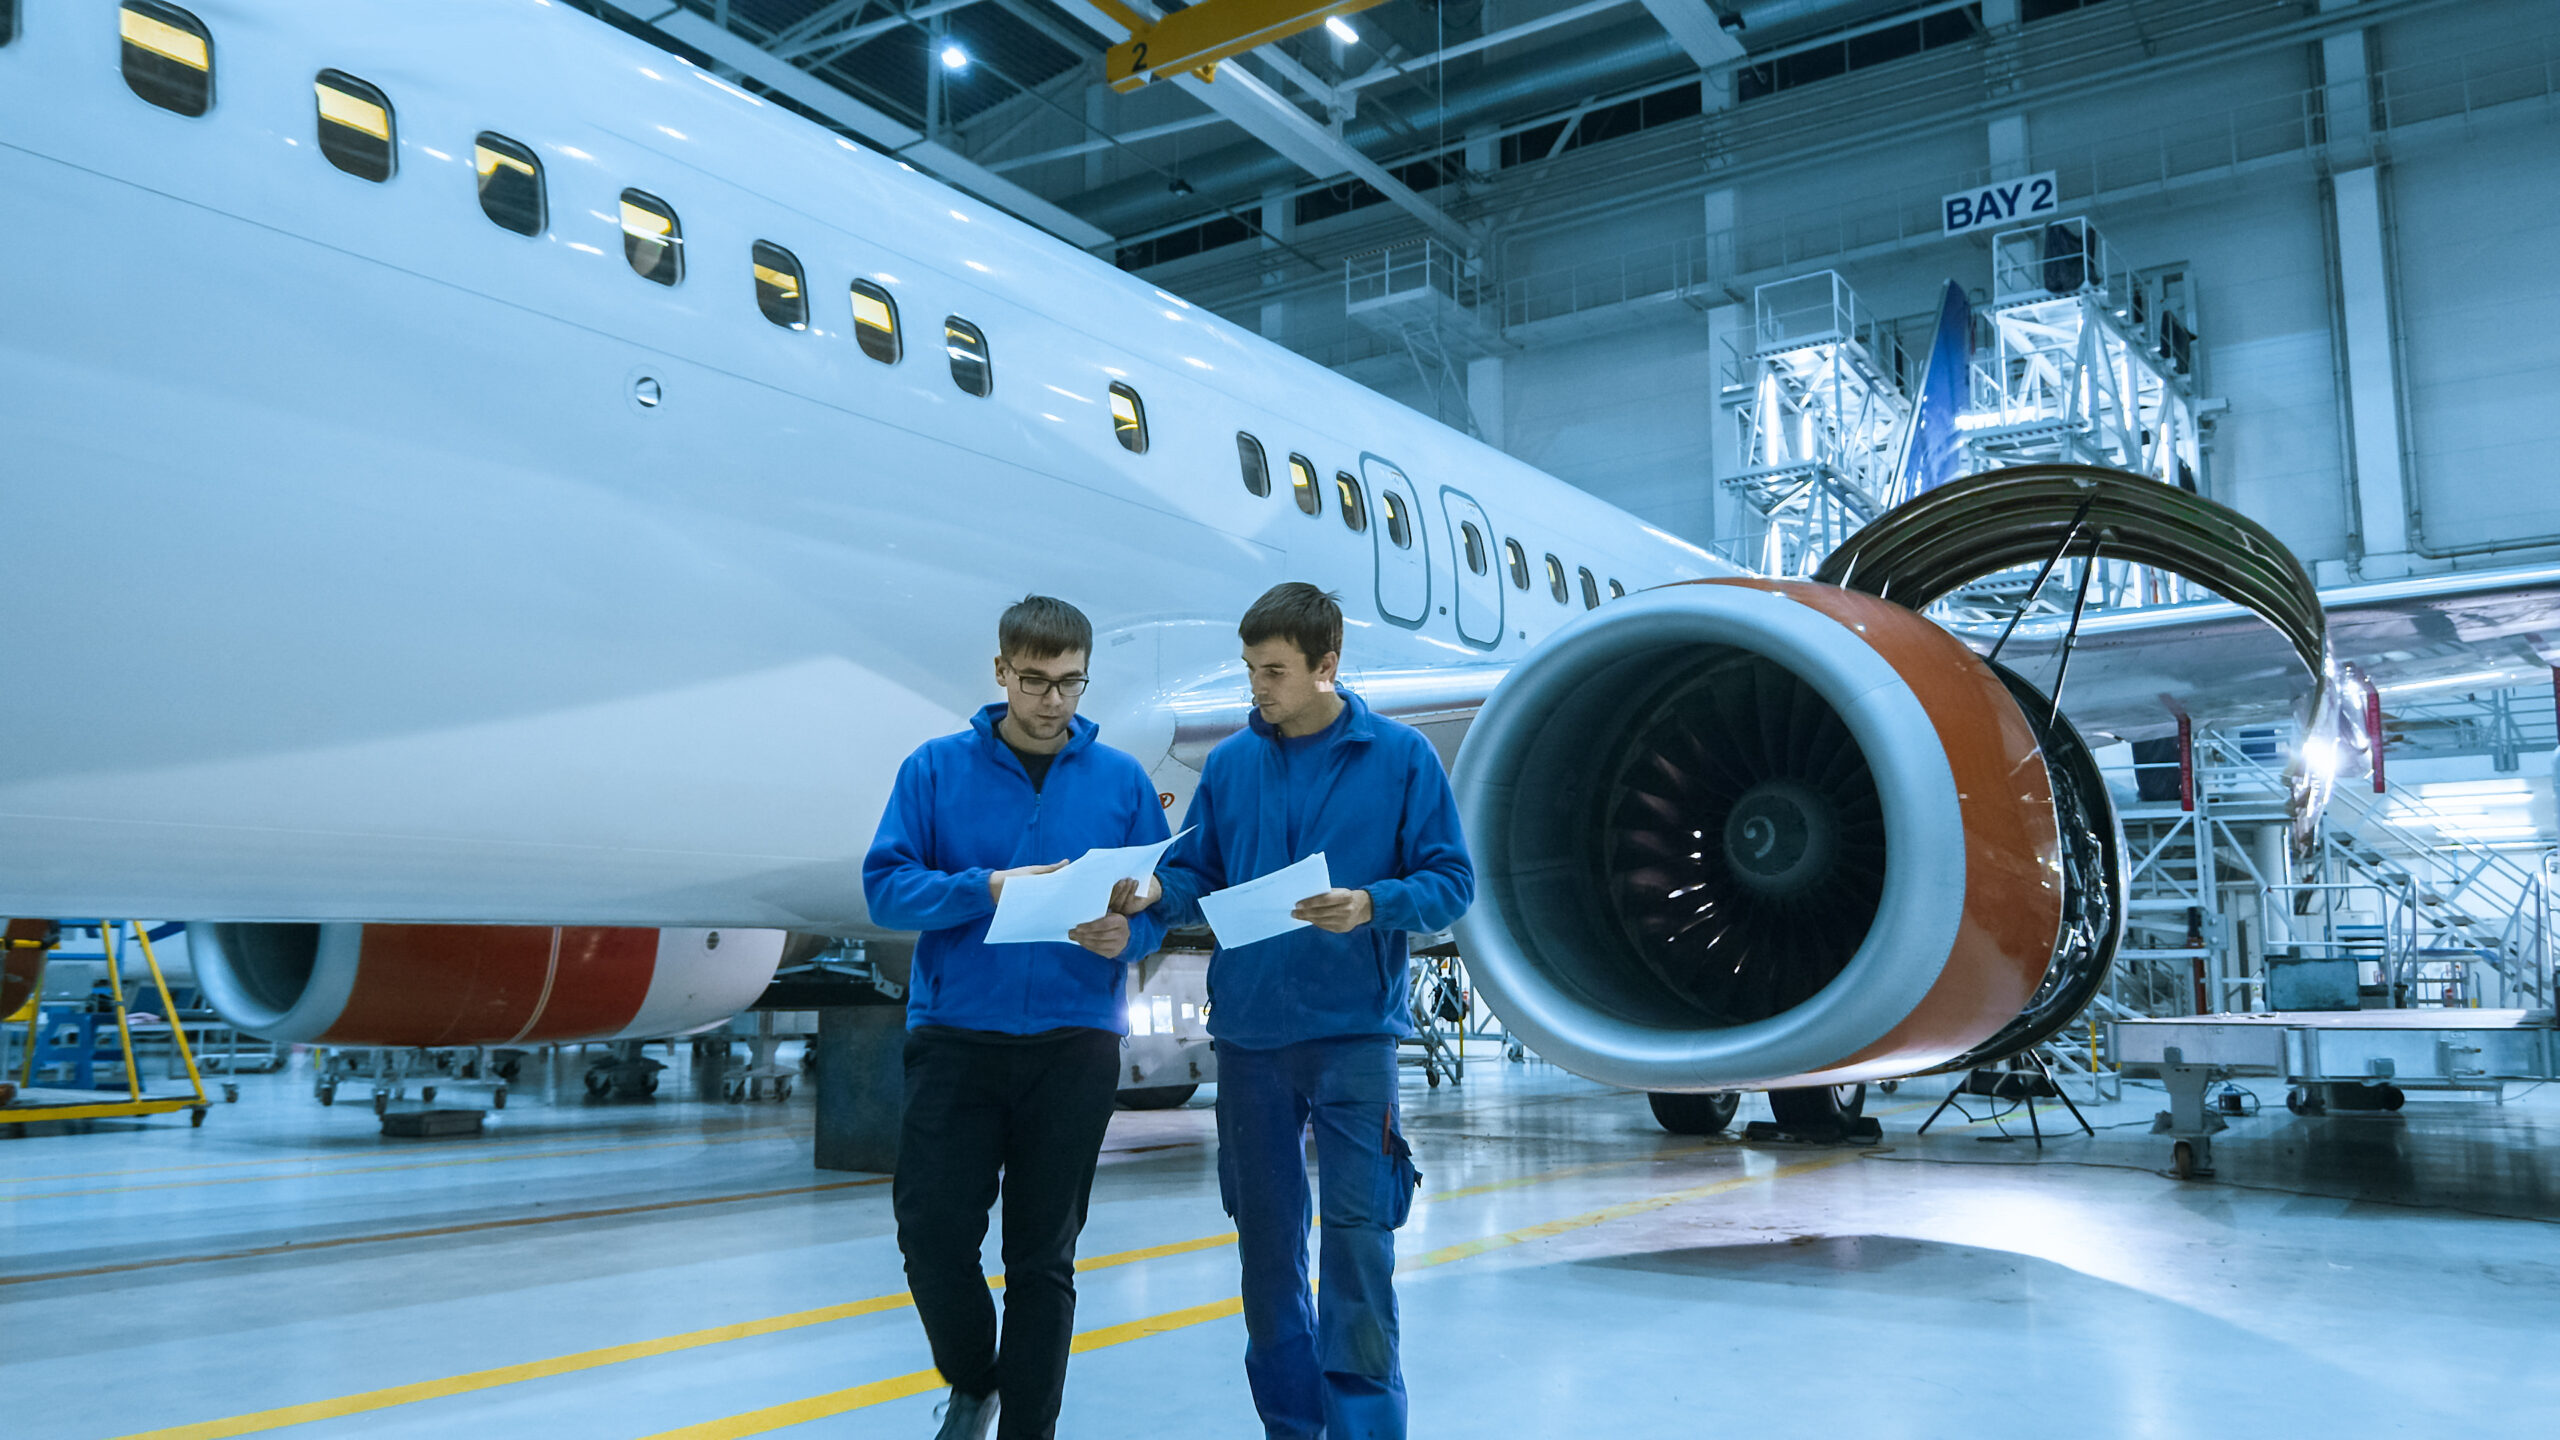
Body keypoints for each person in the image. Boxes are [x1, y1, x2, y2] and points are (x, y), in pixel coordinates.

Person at [1122, 582, 1474, 1440]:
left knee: (1360, 1245)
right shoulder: (1235, 764)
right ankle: (1290, 1423)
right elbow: (1198, 870)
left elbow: (1450, 883)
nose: (1257, 688)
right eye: (1250, 670)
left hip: (1353, 1037)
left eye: (1274, 671)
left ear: (1327, 666)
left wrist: (1372, 903)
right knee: (1268, 1253)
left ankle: (1363, 1429)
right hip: (1249, 1041)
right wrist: (1153, 892)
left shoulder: (1400, 759)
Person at [863, 595, 1171, 1440]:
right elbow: (885, 888)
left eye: (1070, 683)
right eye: (1034, 681)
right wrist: (986, 886)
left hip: (1075, 1044)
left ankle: (1027, 1428)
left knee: (1043, 1258)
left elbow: (1155, 900)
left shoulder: (1121, 782)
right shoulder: (932, 771)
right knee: (931, 1236)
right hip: (957, 1036)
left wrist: (1128, 933)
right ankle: (974, 1379)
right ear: (1001, 673)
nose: (1053, 702)